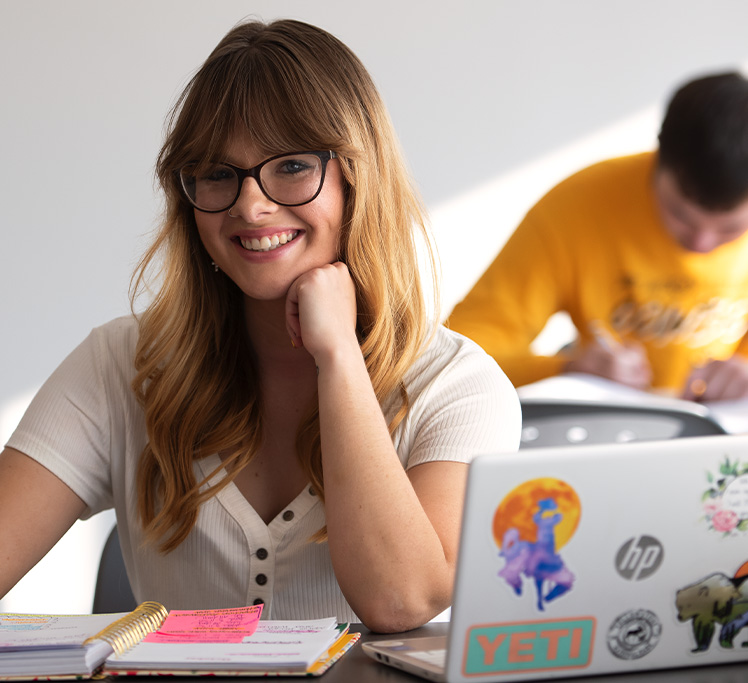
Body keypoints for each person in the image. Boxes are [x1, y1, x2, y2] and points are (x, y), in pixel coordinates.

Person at [0, 20, 520, 633]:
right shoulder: (120, 362)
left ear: (358, 175)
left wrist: (340, 359)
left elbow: (400, 600)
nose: (250, 206)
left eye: (293, 165)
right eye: (218, 173)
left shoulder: (459, 387)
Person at [448, 71, 748, 403]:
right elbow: (460, 352)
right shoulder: (574, 208)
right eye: (679, 216)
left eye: (731, 230)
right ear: (657, 159)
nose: (700, 244)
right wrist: (567, 370)